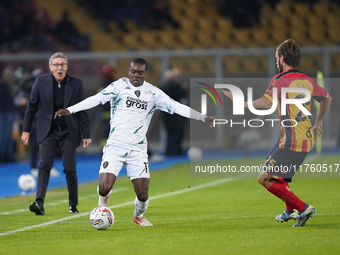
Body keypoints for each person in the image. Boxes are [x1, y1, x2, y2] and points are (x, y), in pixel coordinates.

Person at [55, 58, 215, 226]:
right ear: (129, 71)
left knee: (142, 194)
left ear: (145, 74)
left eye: (140, 72)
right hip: (115, 147)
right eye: (133, 72)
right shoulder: (118, 86)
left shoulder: (153, 93)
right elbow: (96, 99)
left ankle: (138, 215)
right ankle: (104, 197)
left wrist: (203, 117)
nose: (135, 75)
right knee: (104, 188)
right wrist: (70, 110)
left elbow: (176, 107)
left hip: (137, 150)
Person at [223, 39, 332, 227]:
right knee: (276, 175)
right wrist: (319, 121)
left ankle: (302, 207)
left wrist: (240, 102)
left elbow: (265, 103)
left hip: (291, 140)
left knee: (264, 178)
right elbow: (326, 99)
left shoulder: (280, 80)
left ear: (282, 58)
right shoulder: (306, 80)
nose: (276, 60)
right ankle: (290, 210)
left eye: (276, 57)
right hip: (305, 138)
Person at [21, 52, 92, 215]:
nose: (59, 67)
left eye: (62, 64)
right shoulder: (41, 82)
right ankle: (39, 203)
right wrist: (26, 130)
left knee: (69, 168)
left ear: (66, 67)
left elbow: (83, 111)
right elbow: (31, 107)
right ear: (50, 67)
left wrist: (86, 134)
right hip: (48, 132)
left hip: (68, 132)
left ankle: (73, 205)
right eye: (56, 64)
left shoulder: (76, 84)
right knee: (44, 166)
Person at [161, 68, 187, 156]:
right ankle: (171, 151)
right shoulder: (168, 86)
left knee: (179, 132)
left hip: (178, 114)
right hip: (170, 115)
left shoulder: (179, 85)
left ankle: (177, 150)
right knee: (172, 133)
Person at [0, 67, 18, 163]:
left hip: (10, 112)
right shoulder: (2, 86)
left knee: (9, 136)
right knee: (3, 135)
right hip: (4, 113)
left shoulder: (10, 86)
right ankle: (2, 155)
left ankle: (7, 155)